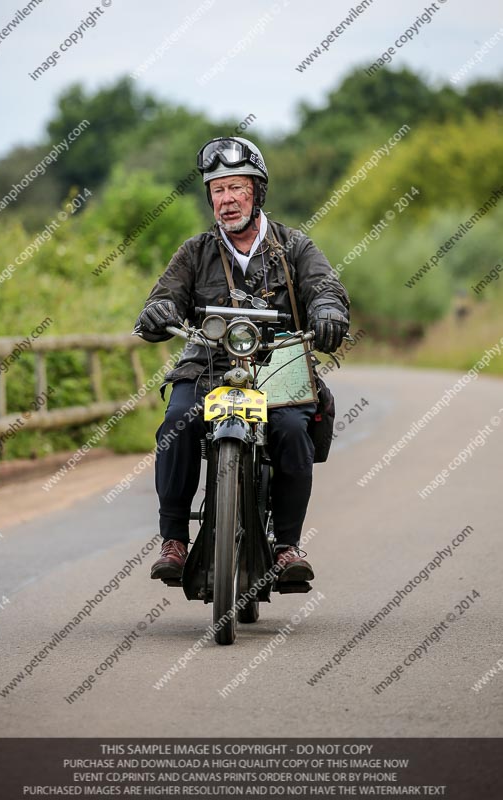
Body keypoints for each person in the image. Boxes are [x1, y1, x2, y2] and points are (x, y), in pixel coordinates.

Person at [135, 136, 349, 584]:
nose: (227, 200)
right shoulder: (195, 252)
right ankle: (174, 540)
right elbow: (162, 298)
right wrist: (159, 312)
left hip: (279, 363)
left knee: (292, 430)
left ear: (257, 191)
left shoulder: (294, 247)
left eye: (237, 187)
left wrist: (328, 310)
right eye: (218, 190)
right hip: (208, 363)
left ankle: (287, 546)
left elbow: (325, 287)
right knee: (177, 421)